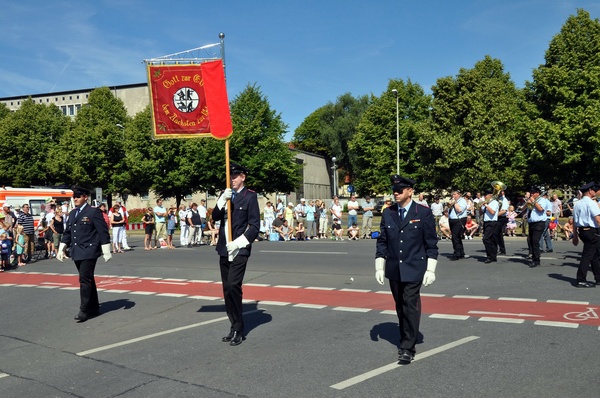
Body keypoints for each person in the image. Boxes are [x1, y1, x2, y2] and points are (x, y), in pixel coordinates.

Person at [375, 175, 438, 365]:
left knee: (410, 304)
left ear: (410, 191)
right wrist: (379, 265)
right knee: (400, 305)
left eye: (400, 190)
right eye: (394, 190)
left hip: (414, 267)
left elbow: (431, 244)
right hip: (394, 268)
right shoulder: (388, 213)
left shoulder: (423, 212)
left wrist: (431, 269)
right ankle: (406, 336)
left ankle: (407, 347)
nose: (396, 193)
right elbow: (383, 241)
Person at [212, 163, 260, 346]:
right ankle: (233, 326)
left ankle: (239, 328)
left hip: (239, 248)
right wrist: (221, 200)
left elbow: (255, 226)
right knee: (226, 290)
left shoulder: (250, 197)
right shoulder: (226, 195)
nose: (231, 179)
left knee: (233, 285)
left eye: (235, 176)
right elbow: (215, 217)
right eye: (230, 176)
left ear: (243, 177)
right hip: (224, 248)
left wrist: (239, 242)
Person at [56, 186, 112, 322]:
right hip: (77, 251)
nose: (75, 198)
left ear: (85, 197)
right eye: (74, 196)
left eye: (78, 196)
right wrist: (62, 247)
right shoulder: (73, 213)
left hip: (89, 250)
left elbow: (102, 231)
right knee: (87, 278)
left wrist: (106, 250)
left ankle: (84, 310)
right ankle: (93, 307)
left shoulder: (93, 212)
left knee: (84, 280)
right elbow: (69, 232)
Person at [572, 182, 600, 288]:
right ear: (590, 191)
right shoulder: (591, 203)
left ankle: (598, 278)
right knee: (587, 256)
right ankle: (581, 279)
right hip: (592, 231)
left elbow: (574, 220)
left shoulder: (577, 203)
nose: (596, 192)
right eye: (594, 190)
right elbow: (598, 219)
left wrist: (574, 236)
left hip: (582, 231)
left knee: (594, 255)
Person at [525, 186, 550, 268]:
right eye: (531, 193)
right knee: (530, 240)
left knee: (535, 240)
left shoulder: (542, 200)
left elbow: (540, 209)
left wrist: (533, 201)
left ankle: (536, 260)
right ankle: (533, 256)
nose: (531, 194)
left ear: (537, 193)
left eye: (533, 193)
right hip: (531, 222)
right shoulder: (531, 200)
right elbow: (528, 208)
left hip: (539, 223)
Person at [447, 190, 468, 261]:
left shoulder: (462, 201)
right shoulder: (453, 201)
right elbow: (447, 210)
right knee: (457, 237)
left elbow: (459, 210)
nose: (453, 196)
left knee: (455, 237)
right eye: (452, 195)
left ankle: (457, 253)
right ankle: (461, 252)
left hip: (459, 220)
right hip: (452, 220)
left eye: (454, 194)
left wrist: (455, 203)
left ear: (459, 195)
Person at [481, 189, 499, 263]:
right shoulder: (486, 203)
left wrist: (486, 205)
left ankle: (490, 256)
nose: (484, 197)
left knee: (486, 239)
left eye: (486, 195)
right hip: (486, 222)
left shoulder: (494, 202)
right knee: (491, 239)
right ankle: (493, 256)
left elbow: (492, 212)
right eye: (484, 195)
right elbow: (482, 212)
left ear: (490, 195)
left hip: (492, 222)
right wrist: (479, 207)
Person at [495, 191, 509, 255]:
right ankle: (502, 250)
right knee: (499, 234)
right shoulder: (497, 199)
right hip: (497, 217)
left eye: (500, 191)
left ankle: (498, 249)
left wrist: (494, 216)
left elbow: (504, 211)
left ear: (503, 192)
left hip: (501, 218)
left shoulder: (504, 200)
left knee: (495, 233)